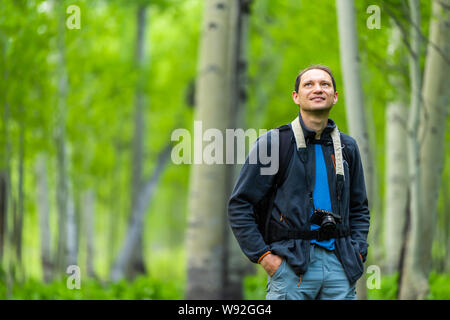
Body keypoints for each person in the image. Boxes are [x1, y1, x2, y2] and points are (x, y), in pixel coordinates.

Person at [228, 65, 370, 300]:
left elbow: (359, 207)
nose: (318, 89)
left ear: (335, 97)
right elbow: (240, 205)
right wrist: (265, 257)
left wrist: (358, 252)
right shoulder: (274, 144)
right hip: (291, 267)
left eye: (325, 84)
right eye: (309, 84)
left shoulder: (348, 147)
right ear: (296, 97)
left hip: (340, 266)